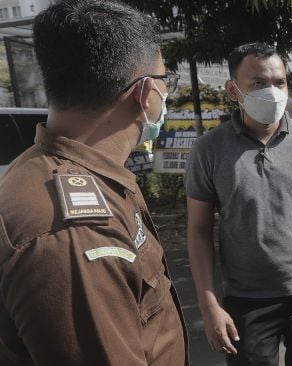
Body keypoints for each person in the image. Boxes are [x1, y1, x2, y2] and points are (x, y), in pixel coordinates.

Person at [0, 1, 187, 365]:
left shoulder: (75, 176)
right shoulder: (73, 231)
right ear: (145, 92)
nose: (167, 95)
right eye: (167, 82)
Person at [184, 42, 292, 366]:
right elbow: (197, 231)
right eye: (259, 84)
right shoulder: (208, 151)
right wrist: (209, 303)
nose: (273, 91)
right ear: (233, 90)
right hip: (246, 301)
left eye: (279, 82)